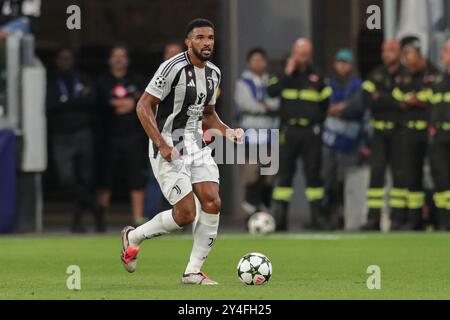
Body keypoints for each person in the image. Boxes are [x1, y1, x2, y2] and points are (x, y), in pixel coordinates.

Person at [120, 18, 244, 285]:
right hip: (168, 143)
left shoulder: (214, 73)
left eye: (210, 37)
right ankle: (134, 237)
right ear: (189, 41)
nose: (206, 42)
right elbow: (143, 106)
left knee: (212, 201)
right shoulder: (172, 67)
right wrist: (162, 145)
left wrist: (228, 131)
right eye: (200, 37)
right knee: (186, 213)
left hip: (195, 144)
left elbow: (208, 115)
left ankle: (192, 271)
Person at [267, 38, 331, 231]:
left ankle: (317, 218)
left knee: (314, 175)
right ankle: (280, 219)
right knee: (284, 175)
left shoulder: (318, 76)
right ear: (293, 52)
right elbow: (271, 92)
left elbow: (325, 104)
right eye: (298, 53)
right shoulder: (282, 73)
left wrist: (315, 121)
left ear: (309, 55)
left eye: (305, 54)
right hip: (289, 131)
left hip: (311, 132)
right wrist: (287, 73)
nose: (301, 57)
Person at [46, 47, 97, 233]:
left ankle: (78, 220)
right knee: (66, 178)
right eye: (62, 58)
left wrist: (66, 102)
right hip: (61, 136)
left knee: (85, 177)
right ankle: (94, 205)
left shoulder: (82, 78)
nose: (65, 61)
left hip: (83, 133)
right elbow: (49, 104)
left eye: (68, 58)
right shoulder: (52, 81)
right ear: (57, 60)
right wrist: (74, 101)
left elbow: (92, 101)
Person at [96, 45, 148, 229]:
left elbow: (145, 102)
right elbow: (99, 103)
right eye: (115, 55)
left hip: (132, 136)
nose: (119, 59)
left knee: (136, 177)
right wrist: (116, 104)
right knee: (105, 178)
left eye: (122, 55)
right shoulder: (103, 81)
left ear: (127, 59)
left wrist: (132, 103)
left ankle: (138, 218)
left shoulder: (136, 80)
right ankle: (101, 217)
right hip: (109, 137)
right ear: (110, 59)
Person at [391, 36, 439, 230]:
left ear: (418, 54)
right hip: (409, 133)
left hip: (430, 132)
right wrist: (414, 100)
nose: (405, 58)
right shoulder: (404, 75)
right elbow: (397, 97)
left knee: (439, 174)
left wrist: (415, 100)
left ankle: (439, 218)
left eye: (408, 54)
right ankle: (414, 220)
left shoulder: (434, 73)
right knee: (411, 176)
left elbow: (432, 97)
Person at [360, 40, 405, 231]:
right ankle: (373, 219)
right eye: (384, 50)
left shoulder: (407, 74)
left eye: (391, 50)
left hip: (399, 131)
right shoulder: (375, 74)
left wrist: (382, 97)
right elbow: (367, 100)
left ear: (399, 52)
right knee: (376, 174)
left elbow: (406, 102)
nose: (387, 53)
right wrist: (393, 100)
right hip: (379, 132)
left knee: (399, 175)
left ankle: (397, 219)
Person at [322, 49, 368, 230]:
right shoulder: (329, 84)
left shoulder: (358, 85)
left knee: (347, 180)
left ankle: (345, 216)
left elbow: (356, 107)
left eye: (346, 62)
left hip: (350, 141)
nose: (342, 66)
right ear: (334, 64)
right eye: (339, 62)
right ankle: (330, 216)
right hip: (330, 140)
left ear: (351, 65)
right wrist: (338, 107)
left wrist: (338, 108)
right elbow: (323, 105)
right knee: (328, 178)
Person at [235, 47, 279, 217]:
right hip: (250, 133)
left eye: (261, 60)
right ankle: (250, 207)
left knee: (269, 173)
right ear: (248, 63)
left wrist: (263, 106)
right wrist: (265, 107)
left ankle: (264, 205)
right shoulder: (243, 83)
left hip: (269, 133)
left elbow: (278, 102)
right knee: (251, 171)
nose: (258, 63)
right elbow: (246, 104)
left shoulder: (272, 81)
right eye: (254, 60)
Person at [144, 42, 184, 220]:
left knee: (190, 178)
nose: (174, 57)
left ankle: (183, 217)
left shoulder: (191, 77)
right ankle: (152, 216)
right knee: (155, 179)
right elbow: (144, 107)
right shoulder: (159, 78)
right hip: (162, 136)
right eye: (170, 53)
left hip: (186, 137)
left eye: (177, 53)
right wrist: (159, 141)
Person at [429, 40, 450, 231]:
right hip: (440, 137)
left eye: (446, 51)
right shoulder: (439, 81)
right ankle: (444, 220)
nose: (443, 55)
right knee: (442, 179)